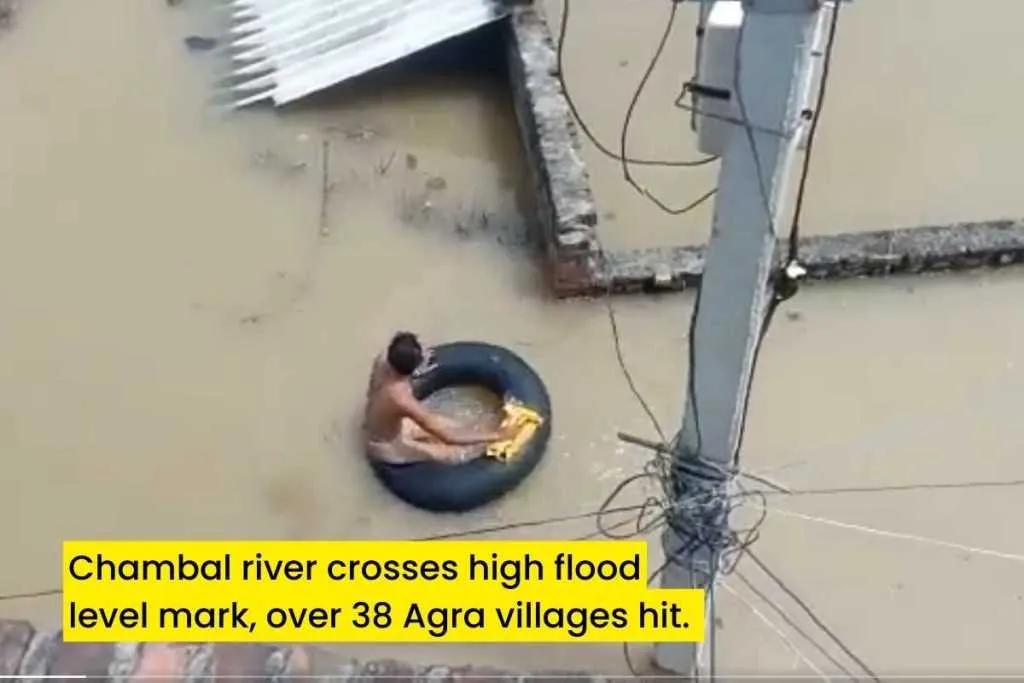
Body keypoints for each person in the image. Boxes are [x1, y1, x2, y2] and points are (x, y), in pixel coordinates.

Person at [363, 332, 515, 465]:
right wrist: (497, 435)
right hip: (387, 446)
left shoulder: (382, 360)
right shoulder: (401, 398)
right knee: (456, 453)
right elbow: (449, 437)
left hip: (387, 427)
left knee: (453, 424)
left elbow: (373, 394)